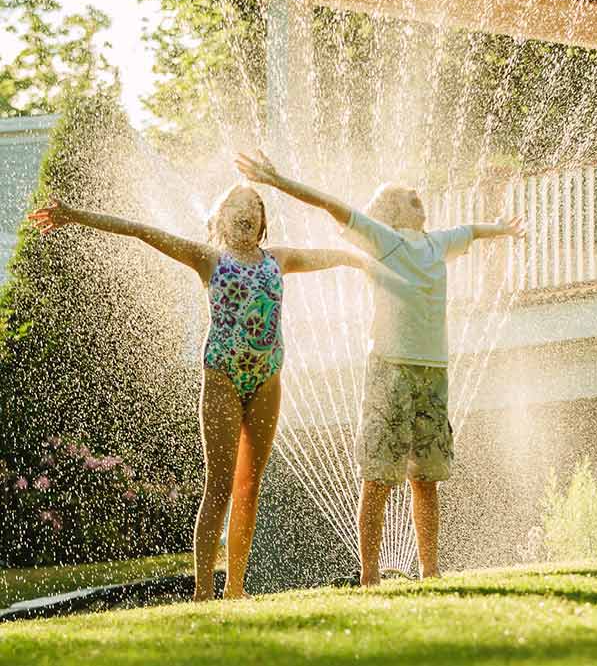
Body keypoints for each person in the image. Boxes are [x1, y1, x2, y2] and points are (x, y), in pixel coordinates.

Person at [28, 182, 368, 600]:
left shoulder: (279, 259)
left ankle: (236, 588)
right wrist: (75, 215)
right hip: (223, 376)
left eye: (253, 209)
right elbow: (140, 230)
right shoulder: (208, 259)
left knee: (249, 486)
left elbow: (328, 257)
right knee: (220, 484)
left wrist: (362, 260)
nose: (245, 214)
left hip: (267, 378)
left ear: (262, 221)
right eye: (235, 208)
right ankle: (203, 591)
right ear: (219, 219)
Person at [236, 152, 525, 586]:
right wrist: (277, 181)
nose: (418, 198)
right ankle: (369, 574)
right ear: (390, 211)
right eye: (410, 197)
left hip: (433, 372)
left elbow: (474, 231)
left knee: (427, 477)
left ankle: (430, 571)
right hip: (390, 369)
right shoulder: (382, 239)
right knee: (378, 478)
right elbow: (328, 202)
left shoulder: (438, 242)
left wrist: (501, 229)